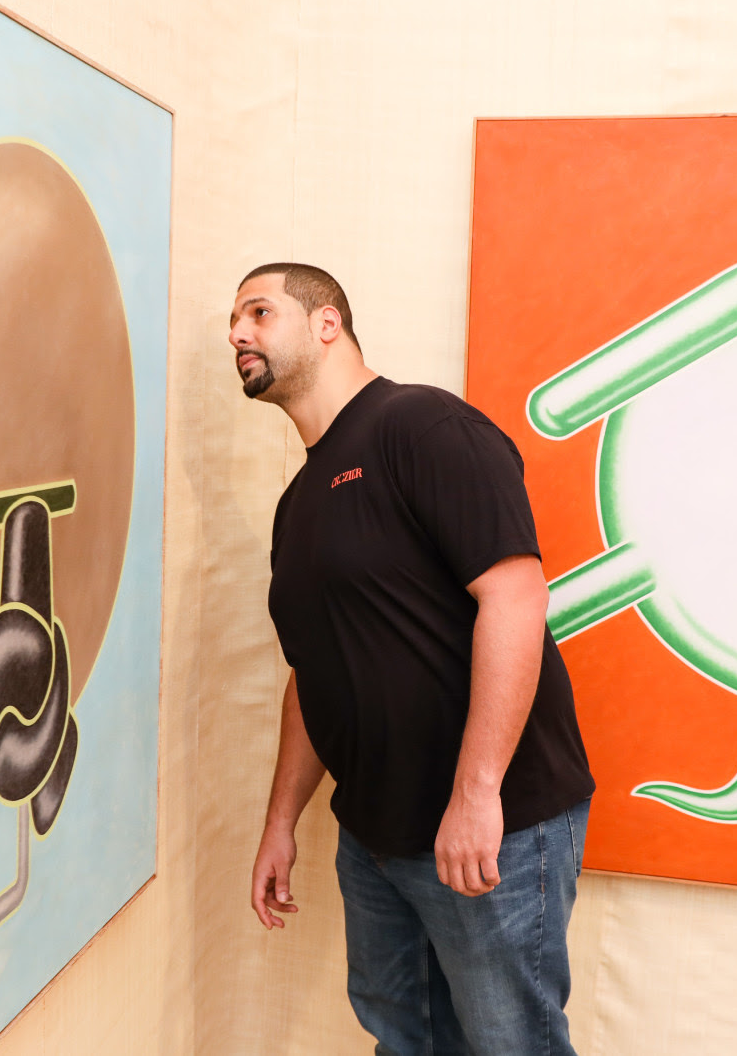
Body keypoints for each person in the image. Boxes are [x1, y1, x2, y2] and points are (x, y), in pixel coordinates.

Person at [234, 262, 596, 1055]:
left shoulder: (421, 427)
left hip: (494, 822)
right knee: (406, 1039)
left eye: (259, 311)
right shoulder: (298, 506)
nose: (237, 333)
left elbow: (517, 596)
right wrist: (280, 821)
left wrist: (476, 794)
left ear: (328, 323)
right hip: (374, 840)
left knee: (511, 1044)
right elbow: (313, 673)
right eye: (234, 322)